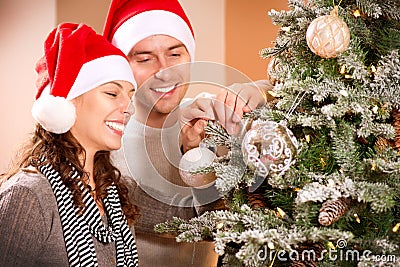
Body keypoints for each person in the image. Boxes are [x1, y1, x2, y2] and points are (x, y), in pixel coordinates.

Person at [103, 0, 273, 266]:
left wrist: (258, 91)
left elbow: (293, 104)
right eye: (145, 58)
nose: (164, 71)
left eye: (174, 54)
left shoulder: (207, 112)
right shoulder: (107, 137)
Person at [0, 22, 140, 267]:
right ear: (67, 103)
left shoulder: (113, 191)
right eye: (112, 93)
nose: (128, 107)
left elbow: (179, 216)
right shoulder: (29, 195)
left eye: (130, 95)